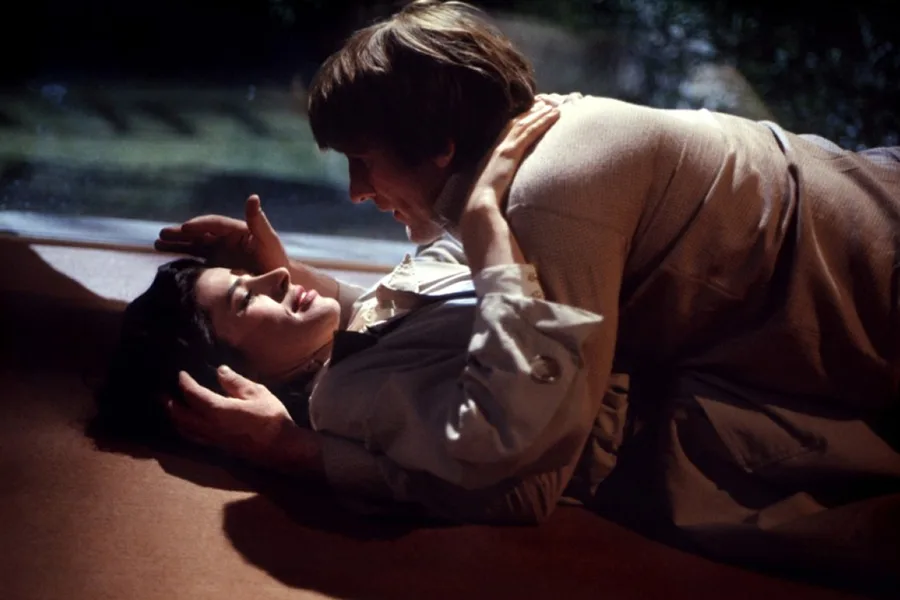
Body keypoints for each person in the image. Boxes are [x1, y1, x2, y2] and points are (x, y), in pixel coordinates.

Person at [153, 0, 900, 584]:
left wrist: (298, 447)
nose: (354, 191)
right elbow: (431, 326)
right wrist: (291, 290)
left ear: (440, 146)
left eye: (363, 159)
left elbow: (523, 468)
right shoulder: (538, 147)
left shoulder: (543, 197)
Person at [102, 104, 616, 521]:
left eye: (249, 275)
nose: (275, 278)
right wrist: (290, 449)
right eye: (245, 298)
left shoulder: (365, 333)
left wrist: (286, 269)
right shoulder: (351, 399)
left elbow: (417, 292)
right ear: (235, 382)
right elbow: (510, 489)